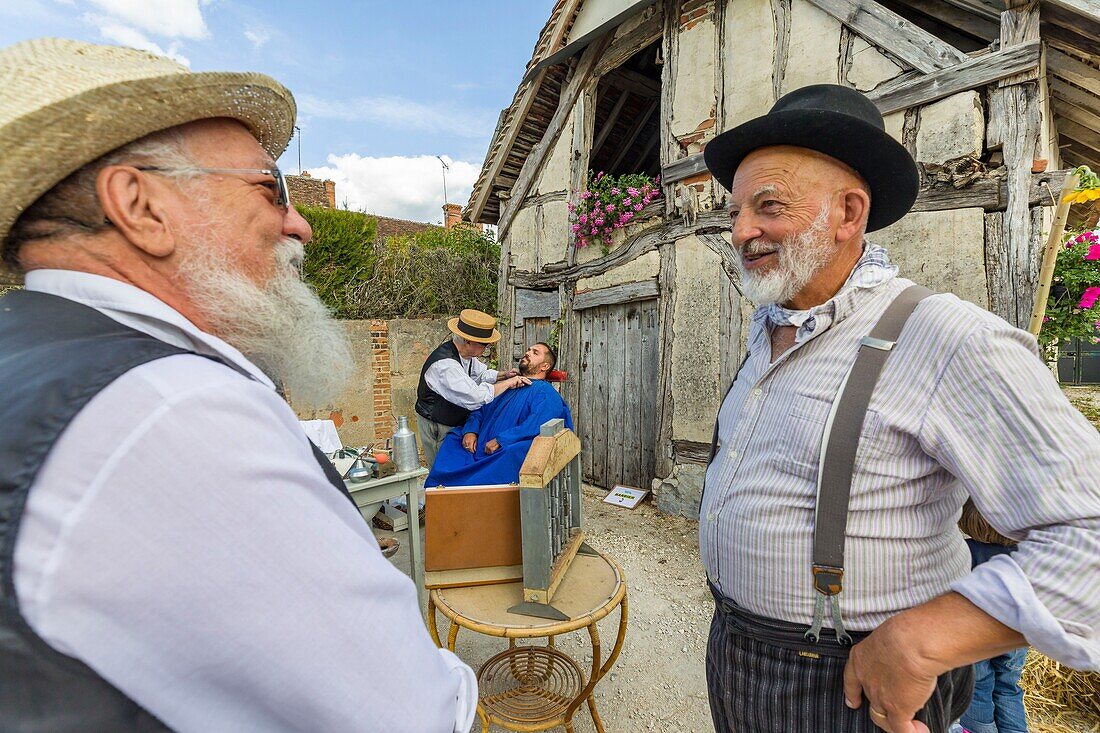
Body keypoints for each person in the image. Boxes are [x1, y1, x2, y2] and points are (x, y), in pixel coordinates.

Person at [0, 39, 475, 732]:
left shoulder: (34, 349)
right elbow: (420, 716)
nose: (300, 222)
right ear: (141, 206)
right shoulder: (174, 411)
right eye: (269, 188)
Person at [699, 84, 1099, 733]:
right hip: (737, 654)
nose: (741, 230)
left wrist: (924, 640)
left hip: (849, 683)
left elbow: (1092, 530)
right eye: (738, 209)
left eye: (767, 206)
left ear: (849, 213)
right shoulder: (767, 332)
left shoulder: (944, 335)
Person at [426, 342, 572, 488]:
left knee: (508, 458)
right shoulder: (509, 384)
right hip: (478, 444)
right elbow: (480, 408)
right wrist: (471, 431)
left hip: (501, 451)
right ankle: (440, 498)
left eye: (535, 352)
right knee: (453, 441)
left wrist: (502, 440)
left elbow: (537, 425)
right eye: (528, 350)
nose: (527, 353)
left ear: (545, 366)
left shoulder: (545, 392)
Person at [415, 308, 529, 468]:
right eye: (484, 344)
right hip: (438, 425)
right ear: (468, 341)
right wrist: (509, 383)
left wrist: (504, 375)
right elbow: (476, 397)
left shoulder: (465, 355)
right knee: (442, 469)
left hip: (454, 421)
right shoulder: (446, 366)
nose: (487, 347)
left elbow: (480, 373)